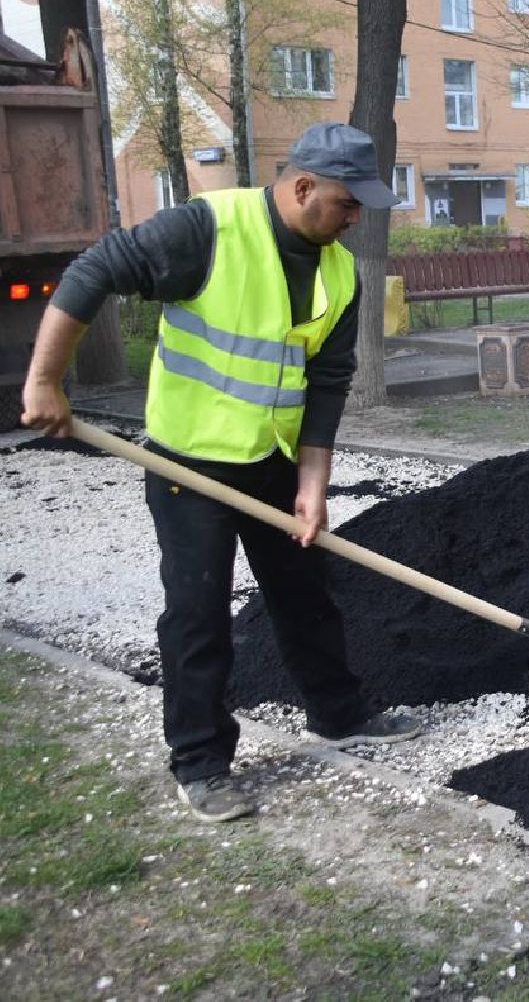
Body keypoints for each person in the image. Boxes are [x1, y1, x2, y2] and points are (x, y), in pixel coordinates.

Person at [21, 122, 423, 823]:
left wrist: (312, 483)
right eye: (348, 203)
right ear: (302, 188)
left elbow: (328, 381)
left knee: (306, 594)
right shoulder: (206, 229)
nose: (357, 217)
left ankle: (337, 713)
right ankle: (202, 763)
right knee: (198, 612)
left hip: (271, 459)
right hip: (188, 461)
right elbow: (92, 272)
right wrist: (45, 382)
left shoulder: (338, 272)